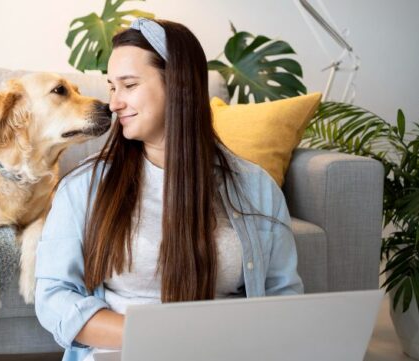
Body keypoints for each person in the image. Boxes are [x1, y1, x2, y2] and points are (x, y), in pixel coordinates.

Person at [33, 18, 304, 361]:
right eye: (112, 87)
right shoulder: (83, 188)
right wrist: (160, 337)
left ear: (178, 84)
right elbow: (54, 296)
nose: (114, 103)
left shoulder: (256, 188)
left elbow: (284, 298)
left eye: (128, 85)